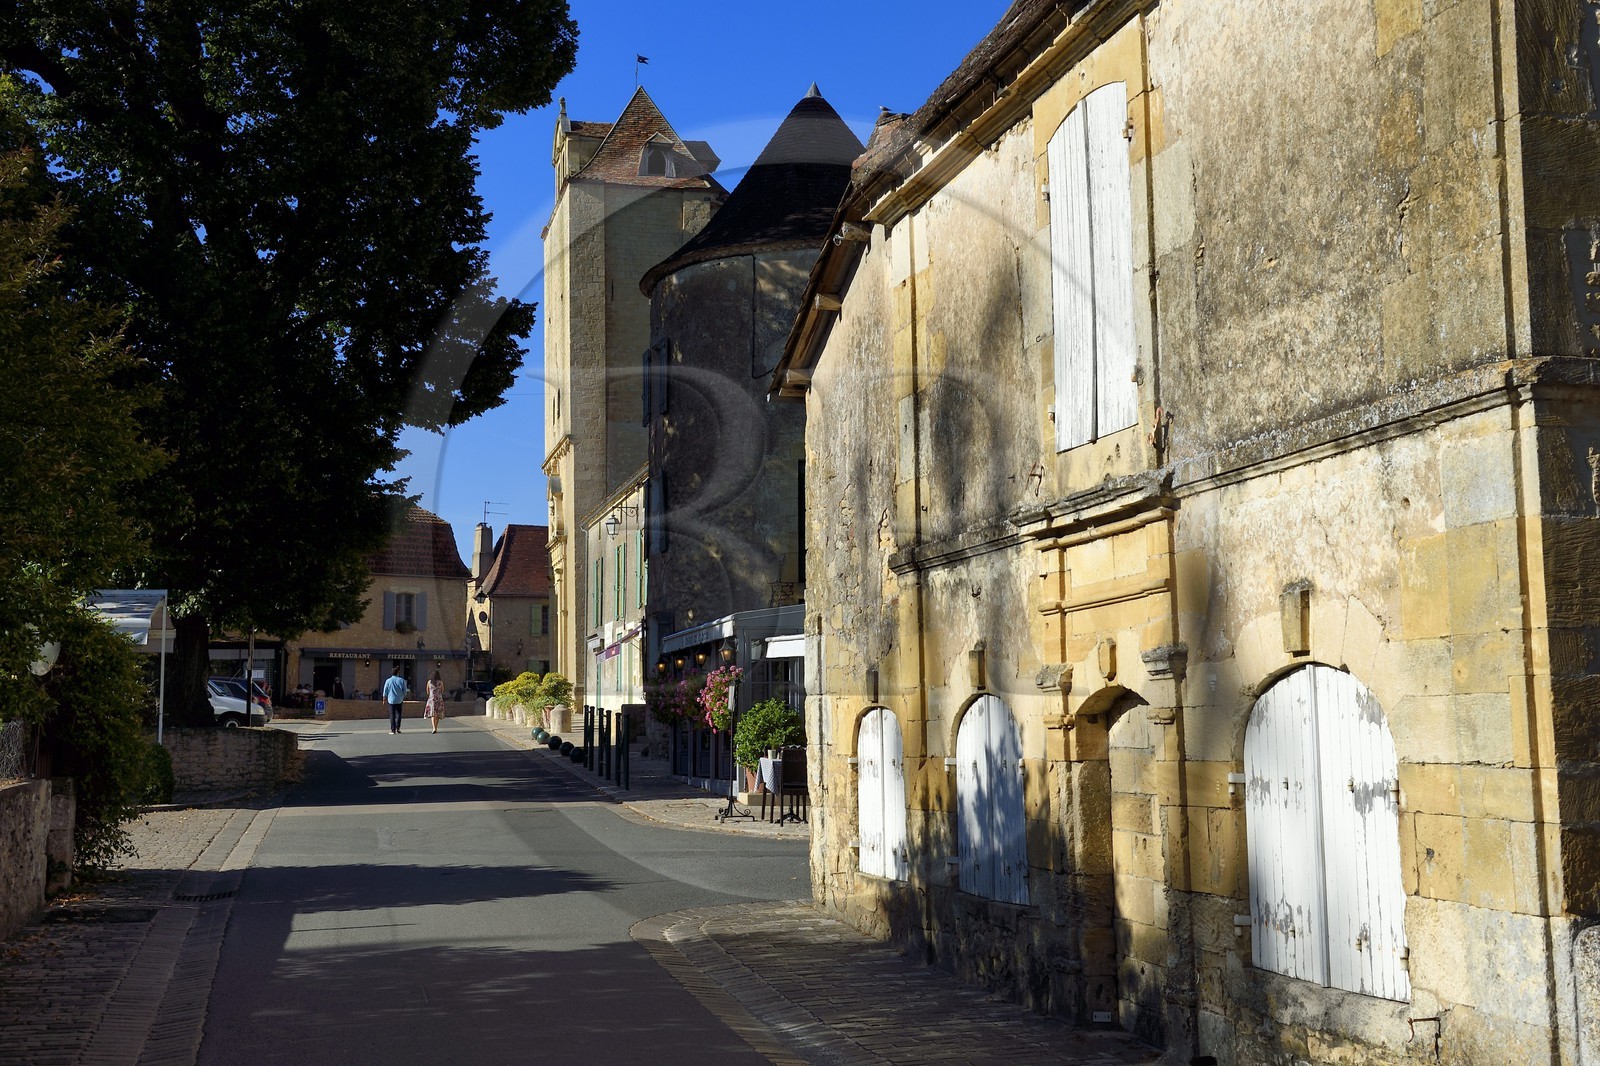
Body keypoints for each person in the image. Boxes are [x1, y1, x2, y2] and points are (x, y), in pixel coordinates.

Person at [382, 666, 408, 734]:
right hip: (399, 699)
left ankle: (392, 730)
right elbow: (405, 691)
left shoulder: (388, 680)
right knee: (399, 713)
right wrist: (403, 695)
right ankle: (398, 728)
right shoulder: (402, 680)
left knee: (392, 714)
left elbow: (385, 691)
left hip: (391, 700)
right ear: (398, 673)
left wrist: (384, 699)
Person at [424, 669, 444, 734]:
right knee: (437, 714)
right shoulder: (440, 682)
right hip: (439, 699)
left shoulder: (429, 682)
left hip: (431, 699)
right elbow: (442, 690)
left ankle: (433, 728)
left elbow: (427, 691)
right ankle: (436, 727)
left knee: (432, 714)